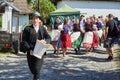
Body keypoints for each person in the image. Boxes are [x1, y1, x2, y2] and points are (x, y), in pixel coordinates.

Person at [22, 12, 51, 80]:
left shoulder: (43, 29)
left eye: (37, 18)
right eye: (33, 18)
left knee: (37, 69)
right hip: (30, 52)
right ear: (31, 20)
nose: (35, 20)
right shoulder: (27, 29)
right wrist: (29, 49)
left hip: (40, 52)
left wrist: (45, 41)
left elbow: (48, 37)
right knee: (33, 70)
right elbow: (24, 41)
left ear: (39, 20)